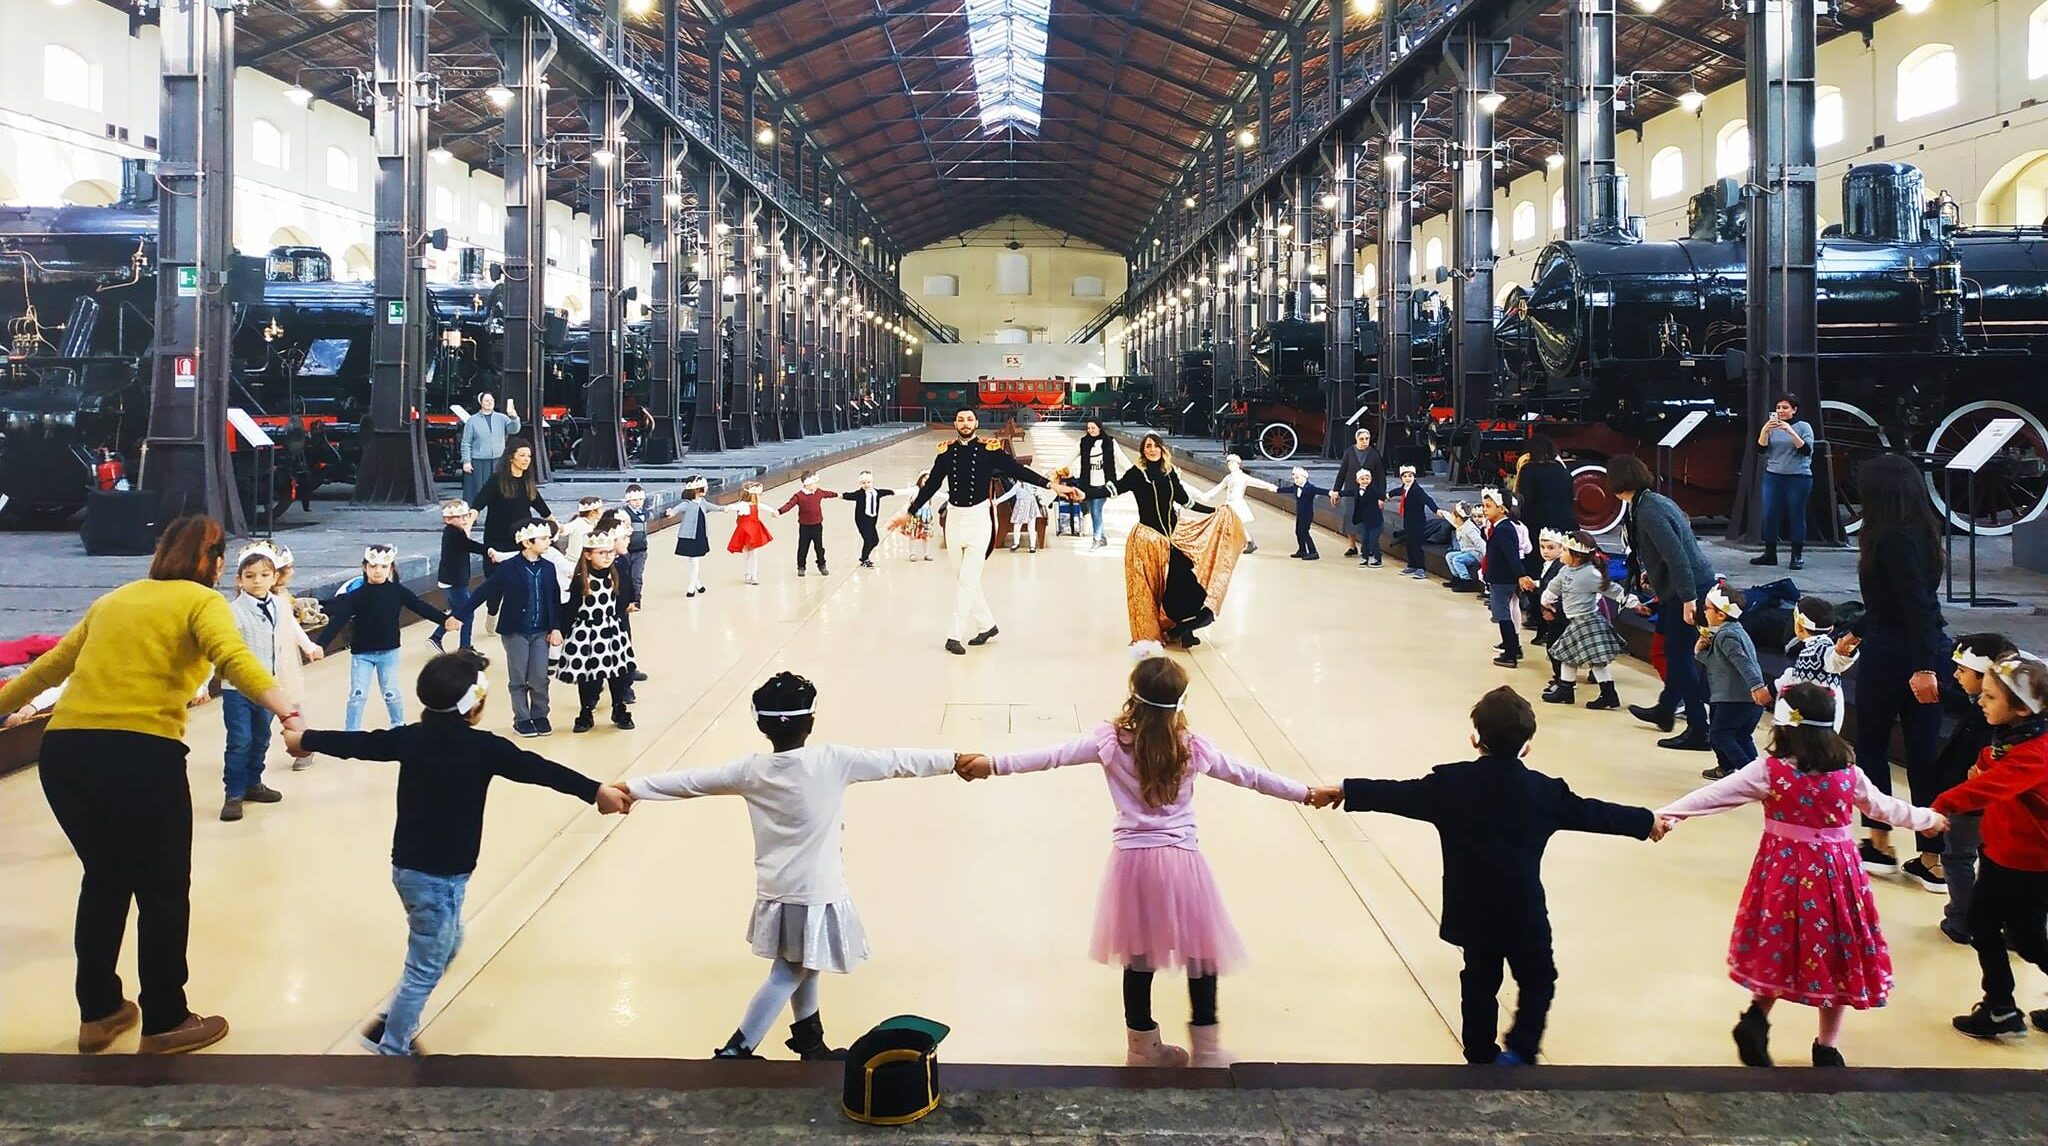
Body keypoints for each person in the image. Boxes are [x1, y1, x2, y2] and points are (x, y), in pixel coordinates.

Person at [0, 516, 303, 1055]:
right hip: (141, 753)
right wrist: (289, 714)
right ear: (211, 562)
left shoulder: (115, 600)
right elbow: (234, 659)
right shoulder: (202, 600)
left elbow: (48, 670)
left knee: (105, 878)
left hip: (66, 753)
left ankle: (99, 1014)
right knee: (162, 890)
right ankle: (166, 1018)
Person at [956, 657, 1336, 1067]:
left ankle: (1142, 1049)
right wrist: (1305, 792)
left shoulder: (1110, 742)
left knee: (1138, 958)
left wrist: (990, 765)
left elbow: (1052, 755)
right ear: (1181, 701)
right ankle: (1206, 1050)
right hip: (1182, 863)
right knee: (1201, 955)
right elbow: (1250, 775)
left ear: (1132, 697)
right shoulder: (1193, 747)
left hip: (1132, 865)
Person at [283, 649, 628, 1055]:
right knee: (425, 965)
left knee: (446, 943)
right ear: (475, 705)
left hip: (410, 868)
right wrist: (594, 790)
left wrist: (304, 739)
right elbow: (540, 770)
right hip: (440, 877)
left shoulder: (410, 738)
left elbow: (359, 743)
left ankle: (390, 1025)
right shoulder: (484, 748)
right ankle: (392, 1048)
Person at [615, 672, 973, 1060]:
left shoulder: (750, 771)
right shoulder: (834, 760)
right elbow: (894, 761)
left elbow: (690, 781)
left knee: (805, 961)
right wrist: (952, 761)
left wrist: (633, 788)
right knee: (791, 970)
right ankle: (737, 1049)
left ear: (760, 724)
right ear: (812, 722)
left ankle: (809, 1041)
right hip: (816, 891)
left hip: (776, 889)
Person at [1306, 686, 1664, 1065]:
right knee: (1538, 977)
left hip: (1471, 908)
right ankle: (1522, 1049)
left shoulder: (1450, 785)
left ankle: (1479, 1054)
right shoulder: (1545, 792)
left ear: (1474, 738)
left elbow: (1397, 794)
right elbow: (1596, 814)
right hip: (1523, 910)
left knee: (1479, 979)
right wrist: (1647, 821)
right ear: (1528, 745)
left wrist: (1345, 791)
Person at [1656, 683, 1946, 1068]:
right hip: (1837, 878)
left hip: (1783, 875)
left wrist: (1666, 814)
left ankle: (1757, 1017)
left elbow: (1715, 795)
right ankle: (1826, 1047)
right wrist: (1928, 820)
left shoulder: (1769, 771)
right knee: (1838, 951)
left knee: (1781, 943)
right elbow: (1887, 808)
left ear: (1782, 727)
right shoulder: (1849, 774)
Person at [888, 409, 1077, 655]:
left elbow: (1017, 471)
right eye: (960, 419)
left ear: (976, 423)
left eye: (969, 419)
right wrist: (910, 511)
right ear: (955, 423)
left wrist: (1052, 485)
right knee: (963, 578)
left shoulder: (990, 450)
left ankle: (953, 635)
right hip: (955, 519)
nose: (965, 423)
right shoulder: (946, 452)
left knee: (967, 580)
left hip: (979, 520)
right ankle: (987, 625)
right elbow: (932, 485)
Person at [1931, 653, 2048, 1039]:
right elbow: (1993, 765)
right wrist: (1985, 763)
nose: (1981, 701)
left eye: (1991, 697)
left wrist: (1940, 806)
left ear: (2021, 708)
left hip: (2028, 862)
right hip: (2002, 852)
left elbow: (1991, 786)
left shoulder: (2036, 753)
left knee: (2028, 941)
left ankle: (1999, 1007)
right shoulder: (2017, 738)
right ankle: (1999, 1007)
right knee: (1981, 925)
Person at [1848, 452, 1950, 884]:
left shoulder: (1889, 538)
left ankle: (1879, 841)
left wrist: (1922, 665)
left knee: (1871, 745)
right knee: (1923, 756)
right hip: (1922, 646)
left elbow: (1913, 603)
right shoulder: (1924, 531)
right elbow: (1907, 601)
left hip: (1895, 653)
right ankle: (1933, 857)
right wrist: (1856, 628)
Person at [1607, 454, 1718, 751]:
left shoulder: (1648, 511)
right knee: (1671, 648)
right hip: (1677, 588)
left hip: (1687, 589)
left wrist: (1688, 599)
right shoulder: (1650, 502)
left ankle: (1699, 729)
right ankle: (1666, 708)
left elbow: (1678, 557)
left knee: (1680, 658)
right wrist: (1650, 573)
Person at [1111, 434, 1239, 654]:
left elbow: (1184, 501)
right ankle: (1168, 630)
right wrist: (1083, 492)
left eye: (1155, 446)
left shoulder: (1169, 473)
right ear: (1143, 451)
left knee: (1185, 584)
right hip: (1147, 540)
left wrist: (1214, 511)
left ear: (1162, 449)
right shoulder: (1136, 474)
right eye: (1147, 446)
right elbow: (1112, 488)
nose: (1151, 450)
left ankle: (1183, 629)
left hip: (1172, 539)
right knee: (1152, 589)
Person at [1933, 633, 2019, 942]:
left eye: (1962, 670)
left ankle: (1963, 919)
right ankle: (2012, 924)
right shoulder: (2018, 715)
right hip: (2005, 809)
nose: (1956, 674)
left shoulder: (1994, 722)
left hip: (1974, 803)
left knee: (1958, 856)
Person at [322, 545, 460, 732]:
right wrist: (320, 645)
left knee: (390, 692)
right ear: (365, 568)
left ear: (390, 568)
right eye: (373, 566)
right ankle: (351, 731)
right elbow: (337, 621)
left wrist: (444, 620)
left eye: (383, 566)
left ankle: (398, 725)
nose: (378, 571)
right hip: (362, 654)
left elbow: (419, 606)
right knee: (357, 694)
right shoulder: (356, 596)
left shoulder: (397, 591)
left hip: (388, 651)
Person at [454, 520, 564, 737]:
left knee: (540, 676)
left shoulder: (549, 567)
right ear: (527, 542)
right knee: (519, 677)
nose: (548, 541)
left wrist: (556, 628)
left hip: (541, 630)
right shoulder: (509, 568)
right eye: (542, 538)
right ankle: (522, 718)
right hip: (516, 631)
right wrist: (459, 614)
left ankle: (540, 714)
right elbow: (483, 591)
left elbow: (554, 599)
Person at [219, 543, 287, 823]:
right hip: (237, 689)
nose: (257, 581)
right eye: (250, 575)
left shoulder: (279, 606)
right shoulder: (232, 612)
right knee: (240, 740)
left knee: (261, 737)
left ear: (274, 577)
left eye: (263, 575)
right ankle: (233, 793)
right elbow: (219, 649)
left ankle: (253, 783)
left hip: (267, 687)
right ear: (239, 580)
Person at [1540, 530, 1639, 710]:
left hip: (1587, 622)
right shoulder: (1565, 570)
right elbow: (1553, 588)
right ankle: (1568, 690)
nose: (1561, 553)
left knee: (1593, 661)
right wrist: (1546, 601)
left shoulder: (1590, 574)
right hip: (1575, 623)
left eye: (1564, 550)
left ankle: (1606, 694)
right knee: (1569, 658)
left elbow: (1612, 589)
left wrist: (1633, 603)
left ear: (1576, 555)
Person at [559, 526, 639, 733]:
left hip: (611, 631)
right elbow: (572, 608)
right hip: (587, 633)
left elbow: (622, 600)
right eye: (601, 553)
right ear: (588, 554)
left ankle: (619, 707)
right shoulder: (580, 580)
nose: (607, 557)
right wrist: (562, 631)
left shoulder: (616, 574)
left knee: (617, 673)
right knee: (589, 675)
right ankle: (586, 711)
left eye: (610, 552)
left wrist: (631, 602)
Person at [1697, 582, 1772, 781]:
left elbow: (1743, 663)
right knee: (1741, 736)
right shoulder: (1735, 630)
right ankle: (1760, 775)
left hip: (1734, 697)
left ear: (1721, 614)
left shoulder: (1726, 635)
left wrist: (1757, 686)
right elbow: (1720, 663)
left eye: (1707, 608)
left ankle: (1749, 776)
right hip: (1746, 699)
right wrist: (1700, 652)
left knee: (1720, 734)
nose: (1704, 611)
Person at [268, 546, 327, 771]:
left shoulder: (281, 597)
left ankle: (303, 747)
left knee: (290, 705)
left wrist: (308, 645)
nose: (292, 572)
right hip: (262, 658)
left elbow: (291, 625)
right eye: (288, 568)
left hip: (283, 658)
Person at [1771, 597, 1858, 732]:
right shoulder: (1810, 647)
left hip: (1821, 713)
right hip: (1809, 707)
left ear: (1799, 626)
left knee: (1814, 745)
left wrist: (1844, 654)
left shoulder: (1823, 646)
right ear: (1831, 628)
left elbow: (1834, 661)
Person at [1752, 396, 1816, 570]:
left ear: (1794, 410)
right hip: (1774, 476)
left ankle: (1796, 555)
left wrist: (1790, 431)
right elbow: (1762, 450)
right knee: (1770, 514)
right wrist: (1765, 431)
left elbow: (1806, 450)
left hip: (1798, 477)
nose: (1781, 411)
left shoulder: (1803, 427)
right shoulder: (1772, 427)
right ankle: (1770, 553)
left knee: (1796, 514)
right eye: (1778, 407)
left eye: (1785, 407)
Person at [473, 439, 551, 557]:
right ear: (511, 457)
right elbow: (478, 505)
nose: (526, 459)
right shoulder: (496, 480)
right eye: (522, 455)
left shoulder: (528, 482)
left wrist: (556, 526)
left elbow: (543, 509)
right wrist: (467, 526)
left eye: (529, 456)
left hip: (522, 538)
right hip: (498, 540)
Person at [1479, 488, 1529, 668]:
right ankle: (1513, 647)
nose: (1485, 510)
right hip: (1500, 578)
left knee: (1503, 615)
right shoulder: (1500, 528)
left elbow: (1512, 555)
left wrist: (1521, 575)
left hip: (1502, 580)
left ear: (1502, 509)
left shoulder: (1505, 529)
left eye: (1488, 506)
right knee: (1505, 613)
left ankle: (1510, 652)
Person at [1197, 454, 1280, 556]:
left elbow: (1257, 482)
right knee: (1233, 524)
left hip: (1237, 503)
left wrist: (1269, 486)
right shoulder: (1228, 477)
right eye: (1228, 463)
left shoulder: (1243, 477)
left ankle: (1241, 542)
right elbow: (1219, 487)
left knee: (1234, 524)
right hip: (1229, 503)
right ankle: (1247, 542)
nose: (1230, 465)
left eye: (1232, 463)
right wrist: (1208, 495)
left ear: (1238, 464)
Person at [435, 500, 488, 652]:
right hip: (454, 582)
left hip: (453, 580)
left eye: (466, 516)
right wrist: (488, 550)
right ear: (448, 519)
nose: (464, 519)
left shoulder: (455, 533)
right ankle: (464, 647)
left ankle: (436, 638)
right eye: (459, 517)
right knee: (467, 613)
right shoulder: (454, 534)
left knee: (457, 611)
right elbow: (469, 545)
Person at [672, 476, 733, 596]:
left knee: (694, 559)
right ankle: (691, 586)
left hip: (700, 533)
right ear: (695, 490)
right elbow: (677, 509)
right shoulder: (687, 504)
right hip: (690, 535)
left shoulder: (702, 502)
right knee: (694, 560)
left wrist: (723, 508)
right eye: (703, 488)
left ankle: (697, 584)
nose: (706, 490)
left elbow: (712, 506)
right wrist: (671, 512)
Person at [1066, 418, 1121, 548]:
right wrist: (1055, 469)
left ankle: (1096, 539)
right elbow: (1069, 456)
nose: (1090, 430)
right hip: (1087, 485)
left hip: (1103, 485)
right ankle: (1102, 537)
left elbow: (1121, 459)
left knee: (1096, 510)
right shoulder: (1083, 442)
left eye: (1093, 428)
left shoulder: (1110, 442)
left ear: (1099, 428)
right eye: (1089, 428)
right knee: (1092, 511)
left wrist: (1137, 472)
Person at [459, 393, 522, 506]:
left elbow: (514, 430)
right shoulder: (472, 421)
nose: (489, 403)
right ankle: (470, 515)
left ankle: (500, 515)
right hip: (478, 460)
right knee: (474, 491)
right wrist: (466, 461)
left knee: (500, 489)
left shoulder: (502, 418)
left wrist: (514, 417)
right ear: (481, 403)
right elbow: (466, 442)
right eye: (486, 400)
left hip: (498, 459)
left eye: (491, 400)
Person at [1330, 427, 1383, 560]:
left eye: (1367, 439)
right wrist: (1336, 491)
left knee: (1368, 520)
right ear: (1356, 439)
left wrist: (1381, 497)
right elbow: (1342, 473)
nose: (1365, 441)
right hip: (1351, 491)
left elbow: (1381, 477)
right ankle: (1352, 546)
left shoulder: (1374, 454)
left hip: (1369, 492)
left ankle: (1369, 547)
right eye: (1362, 439)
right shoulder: (1349, 452)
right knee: (1350, 517)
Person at [1512, 436, 1576, 544]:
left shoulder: (1528, 470)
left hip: (1539, 526)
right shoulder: (1562, 470)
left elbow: (1524, 500)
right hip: (1566, 523)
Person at [777, 471, 840, 576]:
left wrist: (837, 495)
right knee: (803, 547)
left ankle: (822, 565)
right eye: (815, 483)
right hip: (805, 527)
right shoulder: (799, 496)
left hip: (817, 526)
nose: (817, 485)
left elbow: (827, 493)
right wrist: (779, 511)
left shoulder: (818, 492)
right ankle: (801, 567)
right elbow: (789, 505)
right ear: (808, 484)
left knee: (819, 547)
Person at [1394, 465, 1439, 579]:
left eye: (1410, 476)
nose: (1408, 478)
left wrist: (1436, 509)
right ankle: (1412, 564)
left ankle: (1421, 568)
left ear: (1414, 477)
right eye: (1405, 476)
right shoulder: (1405, 488)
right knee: (1409, 543)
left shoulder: (1417, 490)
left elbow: (1427, 499)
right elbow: (1398, 491)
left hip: (1417, 522)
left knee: (1416, 544)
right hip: (1408, 520)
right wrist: (1388, 494)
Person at [728, 480, 774, 586]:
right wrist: (727, 508)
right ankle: (751, 574)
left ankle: (751, 574)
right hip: (747, 530)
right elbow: (735, 507)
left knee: (752, 553)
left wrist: (773, 511)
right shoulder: (744, 505)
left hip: (754, 529)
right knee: (751, 553)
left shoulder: (755, 504)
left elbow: (763, 506)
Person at [845, 471, 895, 567]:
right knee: (868, 540)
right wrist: (834, 495)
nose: (866, 485)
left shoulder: (876, 492)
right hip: (862, 521)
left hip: (872, 521)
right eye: (863, 483)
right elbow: (848, 496)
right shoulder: (859, 494)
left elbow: (889, 492)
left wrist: (907, 491)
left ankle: (864, 557)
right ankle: (864, 559)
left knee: (875, 540)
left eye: (868, 482)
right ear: (860, 483)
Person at [995, 476, 1049, 552]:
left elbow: (1039, 491)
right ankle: (1016, 543)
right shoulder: (1017, 485)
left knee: (1031, 526)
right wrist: (997, 501)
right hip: (1021, 506)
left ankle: (1032, 546)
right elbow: (1009, 494)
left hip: (1031, 506)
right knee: (1017, 525)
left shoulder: (1031, 485)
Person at [620, 483, 653, 595]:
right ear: (628, 501)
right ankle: (625, 599)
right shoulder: (623, 514)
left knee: (636, 576)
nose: (638, 502)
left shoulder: (644, 513)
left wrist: (666, 513)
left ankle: (636, 599)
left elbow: (653, 515)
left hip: (641, 550)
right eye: (634, 500)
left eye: (640, 499)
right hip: (626, 551)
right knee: (624, 576)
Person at [1288, 466, 1326, 561]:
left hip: (1307, 514)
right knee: (1298, 531)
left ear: (1304, 477)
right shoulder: (1296, 488)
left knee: (1304, 532)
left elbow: (1321, 491)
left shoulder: (1310, 488)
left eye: (1297, 478)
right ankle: (1302, 549)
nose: (1295, 480)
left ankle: (1313, 551)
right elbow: (1286, 489)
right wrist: (1275, 489)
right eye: (1294, 478)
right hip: (1300, 513)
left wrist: (1331, 493)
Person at [1442, 501, 1483, 587]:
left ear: (1458, 517)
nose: (1452, 517)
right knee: (1449, 556)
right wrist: (1442, 513)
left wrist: (1486, 555)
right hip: (1466, 551)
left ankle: (1466, 580)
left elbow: (1480, 542)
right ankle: (1456, 578)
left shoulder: (1470, 529)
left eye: (1453, 515)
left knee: (1457, 559)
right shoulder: (1460, 524)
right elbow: (1450, 519)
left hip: (1475, 554)